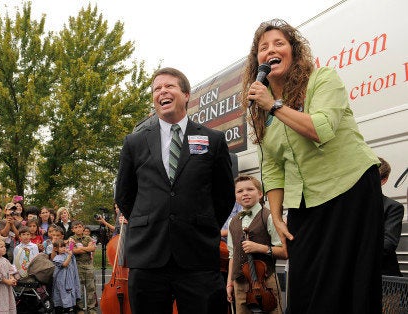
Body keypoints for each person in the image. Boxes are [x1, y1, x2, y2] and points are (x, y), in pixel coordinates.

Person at [242, 19, 383, 313]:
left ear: (293, 51)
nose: (271, 50)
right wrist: (277, 218)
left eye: (279, 43)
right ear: (257, 61)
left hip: (350, 188)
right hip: (305, 204)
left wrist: (275, 105)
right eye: (263, 47)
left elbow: (322, 128)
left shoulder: (322, 79)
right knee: (305, 289)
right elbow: (272, 169)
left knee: (346, 287)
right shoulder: (259, 111)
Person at [115, 67, 235, 313]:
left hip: (198, 256)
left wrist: (202, 224)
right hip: (148, 256)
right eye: (157, 89)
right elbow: (125, 195)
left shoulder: (213, 139)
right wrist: (148, 220)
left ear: (186, 94)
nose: (162, 92)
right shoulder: (134, 142)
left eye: (168, 86)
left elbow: (224, 196)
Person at [226, 175, 286, 313]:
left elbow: (284, 252)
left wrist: (260, 248)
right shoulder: (232, 222)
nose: (245, 193)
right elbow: (232, 255)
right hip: (240, 284)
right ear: (235, 196)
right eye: (240, 191)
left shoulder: (269, 217)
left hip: (266, 282)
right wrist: (230, 282)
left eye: (250, 189)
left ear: (260, 194)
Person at [379, 157, 403, 277]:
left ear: (384, 180)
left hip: (385, 280)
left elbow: (388, 244)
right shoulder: (349, 205)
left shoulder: (393, 207)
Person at [68, 220, 97, 313]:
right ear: (72, 229)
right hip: (77, 266)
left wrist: (80, 248)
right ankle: (79, 309)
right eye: (75, 227)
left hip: (89, 266)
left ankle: (91, 309)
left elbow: (92, 248)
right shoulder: (71, 239)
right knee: (78, 289)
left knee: (91, 288)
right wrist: (86, 249)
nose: (78, 229)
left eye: (80, 226)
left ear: (83, 228)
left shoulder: (88, 238)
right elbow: (72, 251)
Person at [52, 240, 81, 314]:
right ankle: (62, 309)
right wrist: (70, 255)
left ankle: (70, 308)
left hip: (69, 280)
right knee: (62, 295)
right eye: (61, 247)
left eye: (64, 246)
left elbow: (70, 251)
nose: (64, 248)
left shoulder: (66, 254)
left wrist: (71, 244)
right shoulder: (57, 258)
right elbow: (65, 264)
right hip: (62, 281)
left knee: (70, 295)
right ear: (55, 249)